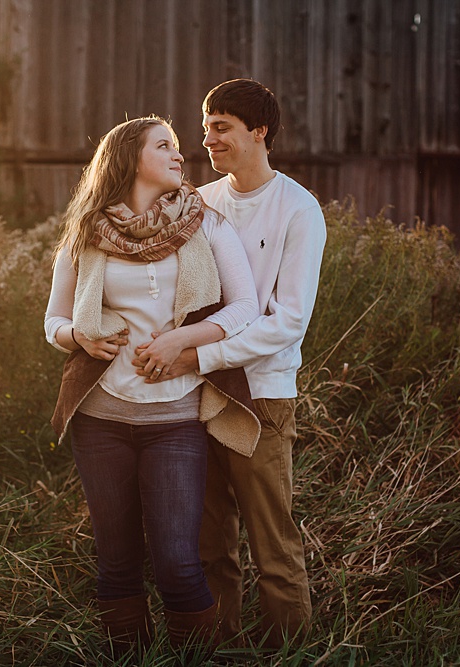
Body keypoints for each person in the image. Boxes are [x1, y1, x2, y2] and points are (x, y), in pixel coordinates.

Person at [44, 116, 261, 655]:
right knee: (116, 561)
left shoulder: (204, 223)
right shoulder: (86, 231)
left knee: (178, 562)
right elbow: (52, 322)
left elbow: (246, 307)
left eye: (178, 147)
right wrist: (81, 338)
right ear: (129, 158)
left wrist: (180, 340)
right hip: (100, 420)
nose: (178, 154)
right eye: (164, 146)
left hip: (176, 422)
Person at [136, 79, 327, 647]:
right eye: (206, 127)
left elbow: (288, 321)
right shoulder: (203, 203)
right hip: (197, 391)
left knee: (273, 540)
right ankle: (219, 648)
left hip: (262, 393)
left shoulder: (298, 209)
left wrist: (197, 355)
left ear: (259, 131)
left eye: (222, 127)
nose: (208, 139)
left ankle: (287, 650)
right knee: (209, 538)